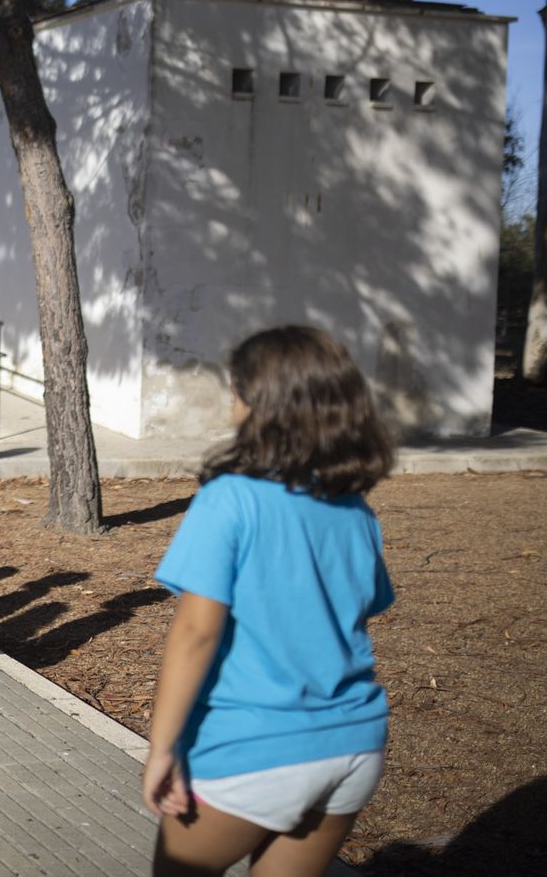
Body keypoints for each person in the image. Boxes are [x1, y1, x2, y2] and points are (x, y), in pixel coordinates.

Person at [143, 326, 398, 877]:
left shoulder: (230, 498)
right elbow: (357, 607)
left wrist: (162, 748)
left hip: (252, 748)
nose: (231, 401)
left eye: (237, 389)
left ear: (261, 403)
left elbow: (196, 633)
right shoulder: (355, 510)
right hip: (352, 747)